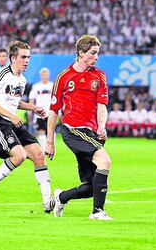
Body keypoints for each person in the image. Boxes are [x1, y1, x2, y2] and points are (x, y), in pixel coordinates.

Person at [0, 41, 54, 213]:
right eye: (23, 57)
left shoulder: (22, 79)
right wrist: (11, 116)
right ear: (13, 58)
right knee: (19, 155)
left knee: (38, 154)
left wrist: (33, 108)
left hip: (11, 122)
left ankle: (48, 202)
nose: (27, 60)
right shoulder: (1, 74)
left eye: (28, 57)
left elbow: (14, 101)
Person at [45, 35, 113, 220]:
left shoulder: (99, 76)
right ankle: (97, 212)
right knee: (104, 161)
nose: (96, 57)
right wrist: (50, 141)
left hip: (91, 132)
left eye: (97, 53)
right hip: (72, 129)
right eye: (93, 53)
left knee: (92, 186)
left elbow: (102, 106)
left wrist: (101, 127)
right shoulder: (63, 77)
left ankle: (61, 197)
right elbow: (53, 111)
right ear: (81, 53)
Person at [28, 67, 53, 151]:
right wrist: (31, 109)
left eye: (46, 74)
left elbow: (57, 99)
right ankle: (42, 149)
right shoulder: (36, 86)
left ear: (48, 75)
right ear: (40, 75)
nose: (44, 76)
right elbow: (32, 98)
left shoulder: (52, 85)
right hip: (40, 113)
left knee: (51, 131)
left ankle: (51, 148)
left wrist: (59, 111)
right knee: (41, 131)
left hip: (51, 112)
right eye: (43, 74)